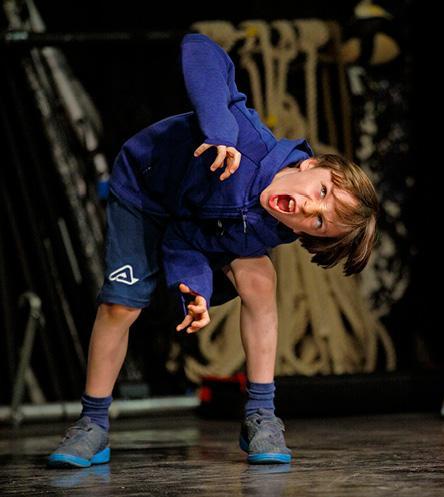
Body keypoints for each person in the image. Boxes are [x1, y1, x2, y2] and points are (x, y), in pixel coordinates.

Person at [47, 33, 378, 468]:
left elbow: (188, 237)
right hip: (144, 193)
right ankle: (92, 423)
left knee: (260, 280)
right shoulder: (248, 141)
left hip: (192, 224)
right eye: (320, 191)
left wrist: (197, 290)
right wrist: (219, 129)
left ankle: (261, 414)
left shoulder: (271, 225)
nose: (309, 208)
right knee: (120, 307)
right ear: (310, 164)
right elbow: (200, 47)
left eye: (318, 221)